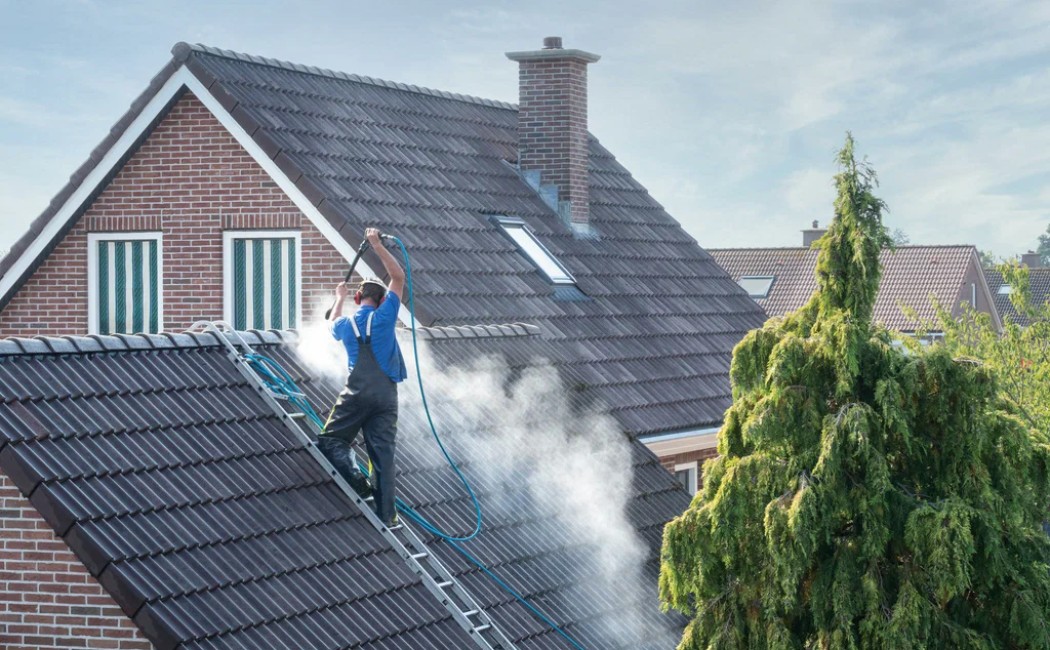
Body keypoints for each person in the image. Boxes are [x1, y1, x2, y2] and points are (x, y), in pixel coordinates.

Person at [317, 227, 407, 527]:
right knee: (383, 456)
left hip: (355, 393)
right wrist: (377, 245)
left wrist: (338, 297)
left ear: (358, 298)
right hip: (386, 397)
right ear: (382, 301)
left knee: (331, 440)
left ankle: (356, 479)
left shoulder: (345, 325)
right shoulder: (385, 316)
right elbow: (398, 277)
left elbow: (330, 323)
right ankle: (387, 516)